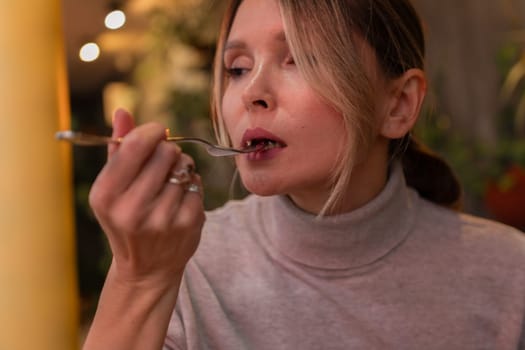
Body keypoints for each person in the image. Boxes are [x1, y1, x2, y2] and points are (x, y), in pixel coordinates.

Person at [83, 0, 525, 349]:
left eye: (299, 60)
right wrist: (139, 280)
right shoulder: (184, 264)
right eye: (237, 69)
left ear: (398, 104)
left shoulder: (509, 272)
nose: (251, 92)